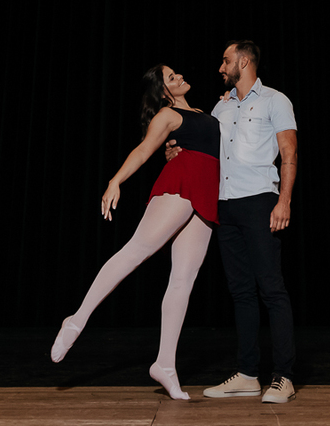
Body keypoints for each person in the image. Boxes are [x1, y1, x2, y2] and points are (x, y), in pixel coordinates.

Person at [50, 64, 219, 401]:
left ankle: (165, 364)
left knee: (184, 279)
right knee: (136, 250)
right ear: (164, 92)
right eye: (172, 78)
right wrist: (115, 181)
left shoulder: (204, 111)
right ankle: (77, 319)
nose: (180, 76)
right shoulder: (167, 116)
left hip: (207, 190)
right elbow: (144, 150)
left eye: (177, 73)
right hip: (181, 184)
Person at [167, 39, 298, 404]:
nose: (221, 68)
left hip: (260, 201)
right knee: (240, 293)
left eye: (226, 61)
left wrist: (283, 200)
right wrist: (175, 152)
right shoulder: (220, 108)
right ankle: (248, 373)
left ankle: (284, 376)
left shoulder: (275, 100)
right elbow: (203, 154)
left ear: (243, 61)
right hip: (224, 205)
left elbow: (289, 152)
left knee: (271, 289)